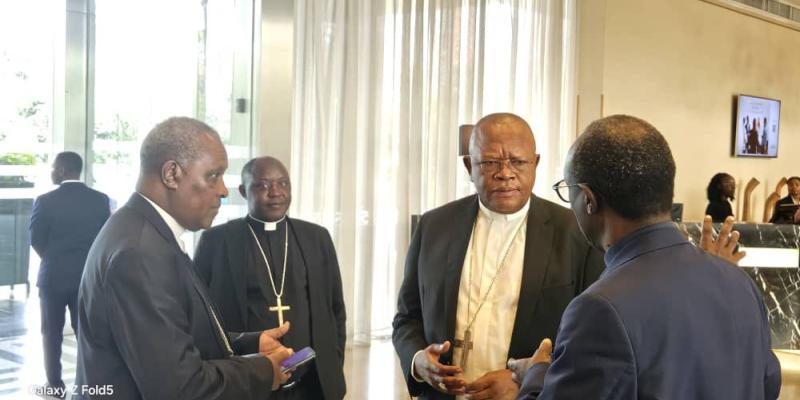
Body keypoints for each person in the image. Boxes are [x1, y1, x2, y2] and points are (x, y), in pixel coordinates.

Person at [516, 114, 781, 399]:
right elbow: (768, 383)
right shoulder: (738, 282)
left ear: (588, 199)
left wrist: (536, 373)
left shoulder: (600, 309)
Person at [75, 117, 293, 400]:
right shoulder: (140, 253)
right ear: (171, 174)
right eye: (213, 176)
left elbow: (173, 334)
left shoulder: (147, 231)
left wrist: (247, 343)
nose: (224, 190)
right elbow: (179, 387)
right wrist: (263, 370)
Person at [392, 112, 605, 400]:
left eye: (518, 162)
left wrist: (528, 378)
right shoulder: (434, 227)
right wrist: (418, 361)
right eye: (490, 162)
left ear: (536, 164)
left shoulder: (575, 233)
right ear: (469, 166)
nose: (505, 173)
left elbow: (591, 338)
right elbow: (407, 318)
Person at [194, 156, 346, 400]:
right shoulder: (218, 241)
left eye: (283, 184)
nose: (275, 192)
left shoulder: (316, 237)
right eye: (263, 185)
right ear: (244, 191)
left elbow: (335, 308)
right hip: (249, 381)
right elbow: (199, 314)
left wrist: (333, 362)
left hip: (311, 381)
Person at [29, 151, 110, 396]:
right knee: (86, 332)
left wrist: (54, 259)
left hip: (53, 278)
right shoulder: (100, 199)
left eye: (53, 167)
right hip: (86, 278)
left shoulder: (44, 200)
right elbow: (104, 239)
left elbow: (36, 240)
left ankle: (55, 386)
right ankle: (90, 384)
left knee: (51, 333)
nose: (51, 171)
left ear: (62, 170)